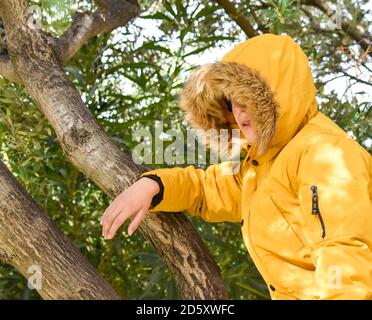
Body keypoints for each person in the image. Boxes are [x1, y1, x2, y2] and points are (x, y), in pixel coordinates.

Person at [100, 34, 372, 300]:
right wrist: (154, 185)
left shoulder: (323, 153)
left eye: (249, 99)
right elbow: (208, 190)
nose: (239, 112)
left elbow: (344, 251)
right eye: (231, 101)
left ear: (277, 97)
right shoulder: (261, 163)